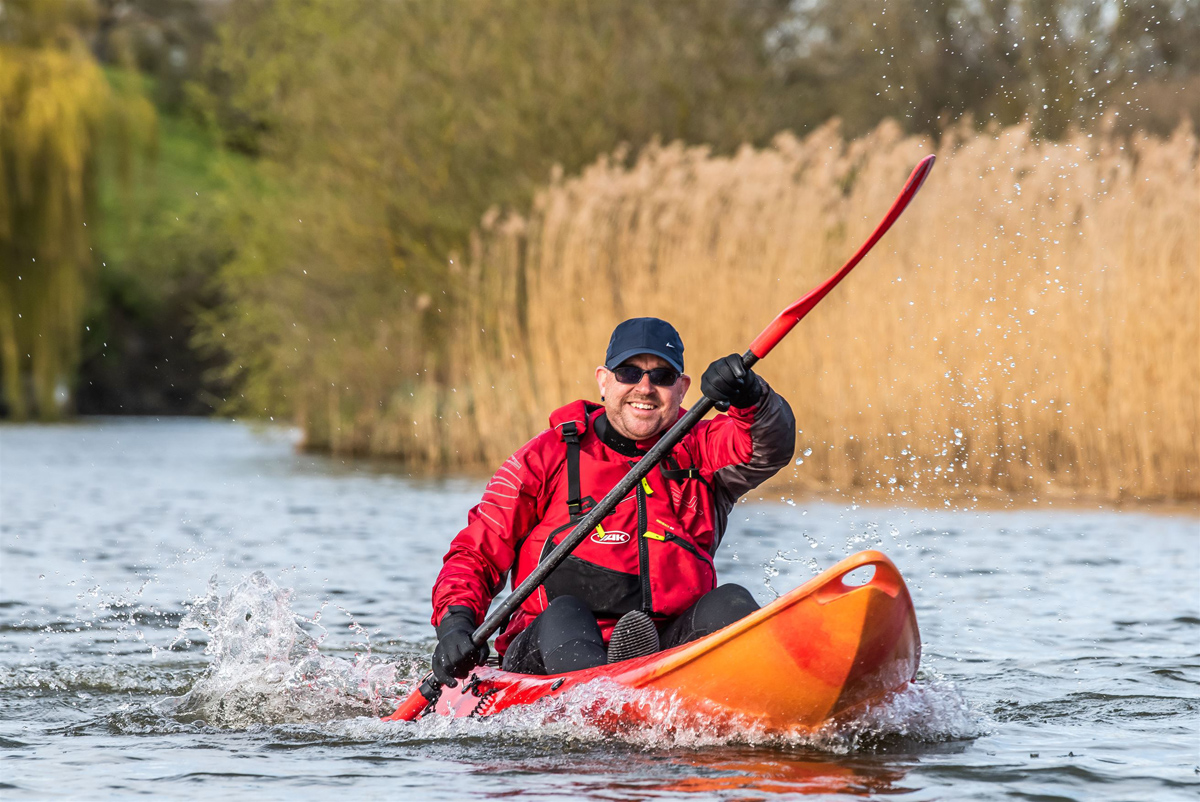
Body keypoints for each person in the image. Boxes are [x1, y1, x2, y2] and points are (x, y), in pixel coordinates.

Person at [430, 317, 795, 685]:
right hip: (546, 654)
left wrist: (751, 396)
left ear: (683, 388)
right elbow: (477, 552)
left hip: (668, 653)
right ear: (604, 381)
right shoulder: (543, 457)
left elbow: (769, 448)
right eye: (629, 373)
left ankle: (764, 693)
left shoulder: (702, 447)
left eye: (663, 376)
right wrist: (456, 622)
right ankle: (606, 700)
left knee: (730, 601)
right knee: (566, 613)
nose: (645, 387)